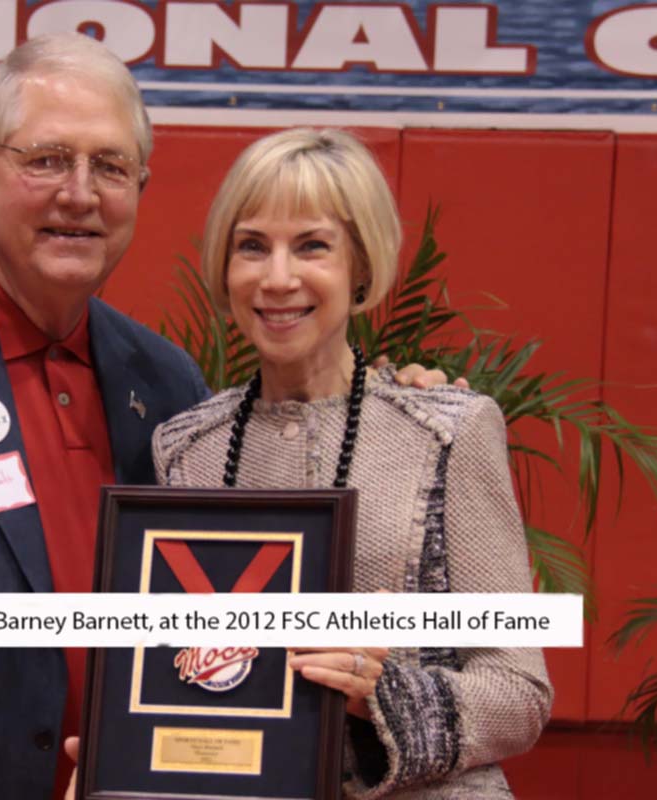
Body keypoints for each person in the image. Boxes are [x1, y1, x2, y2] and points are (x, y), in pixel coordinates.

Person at [0, 35, 451, 800]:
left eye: (110, 166)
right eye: (47, 159)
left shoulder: (166, 385)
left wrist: (395, 399)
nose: (80, 193)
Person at [152, 128, 553, 798]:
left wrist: (382, 696)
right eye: (252, 246)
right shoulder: (184, 449)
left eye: (312, 246)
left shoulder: (447, 432)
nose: (278, 278)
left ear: (360, 266)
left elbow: (519, 691)